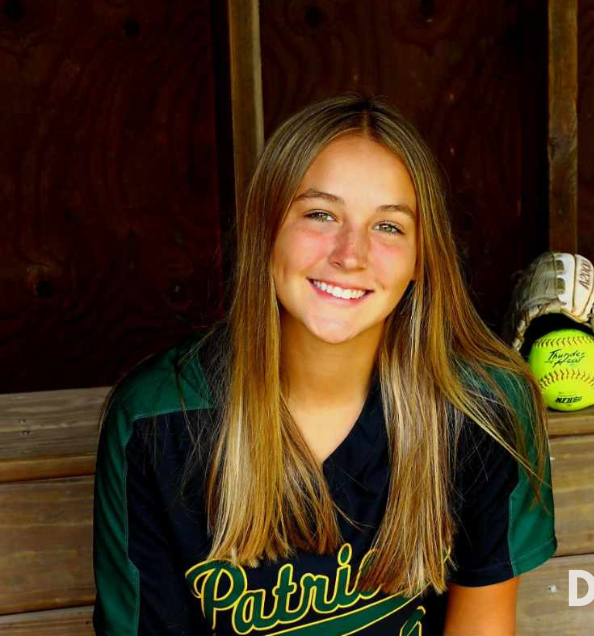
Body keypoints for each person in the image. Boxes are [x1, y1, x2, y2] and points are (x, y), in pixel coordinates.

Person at [92, 94, 557, 636]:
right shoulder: (155, 422)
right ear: (266, 230)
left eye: (388, 226)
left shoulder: (483, 408)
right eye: (320, 214)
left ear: (420, 260)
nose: (350, 253)